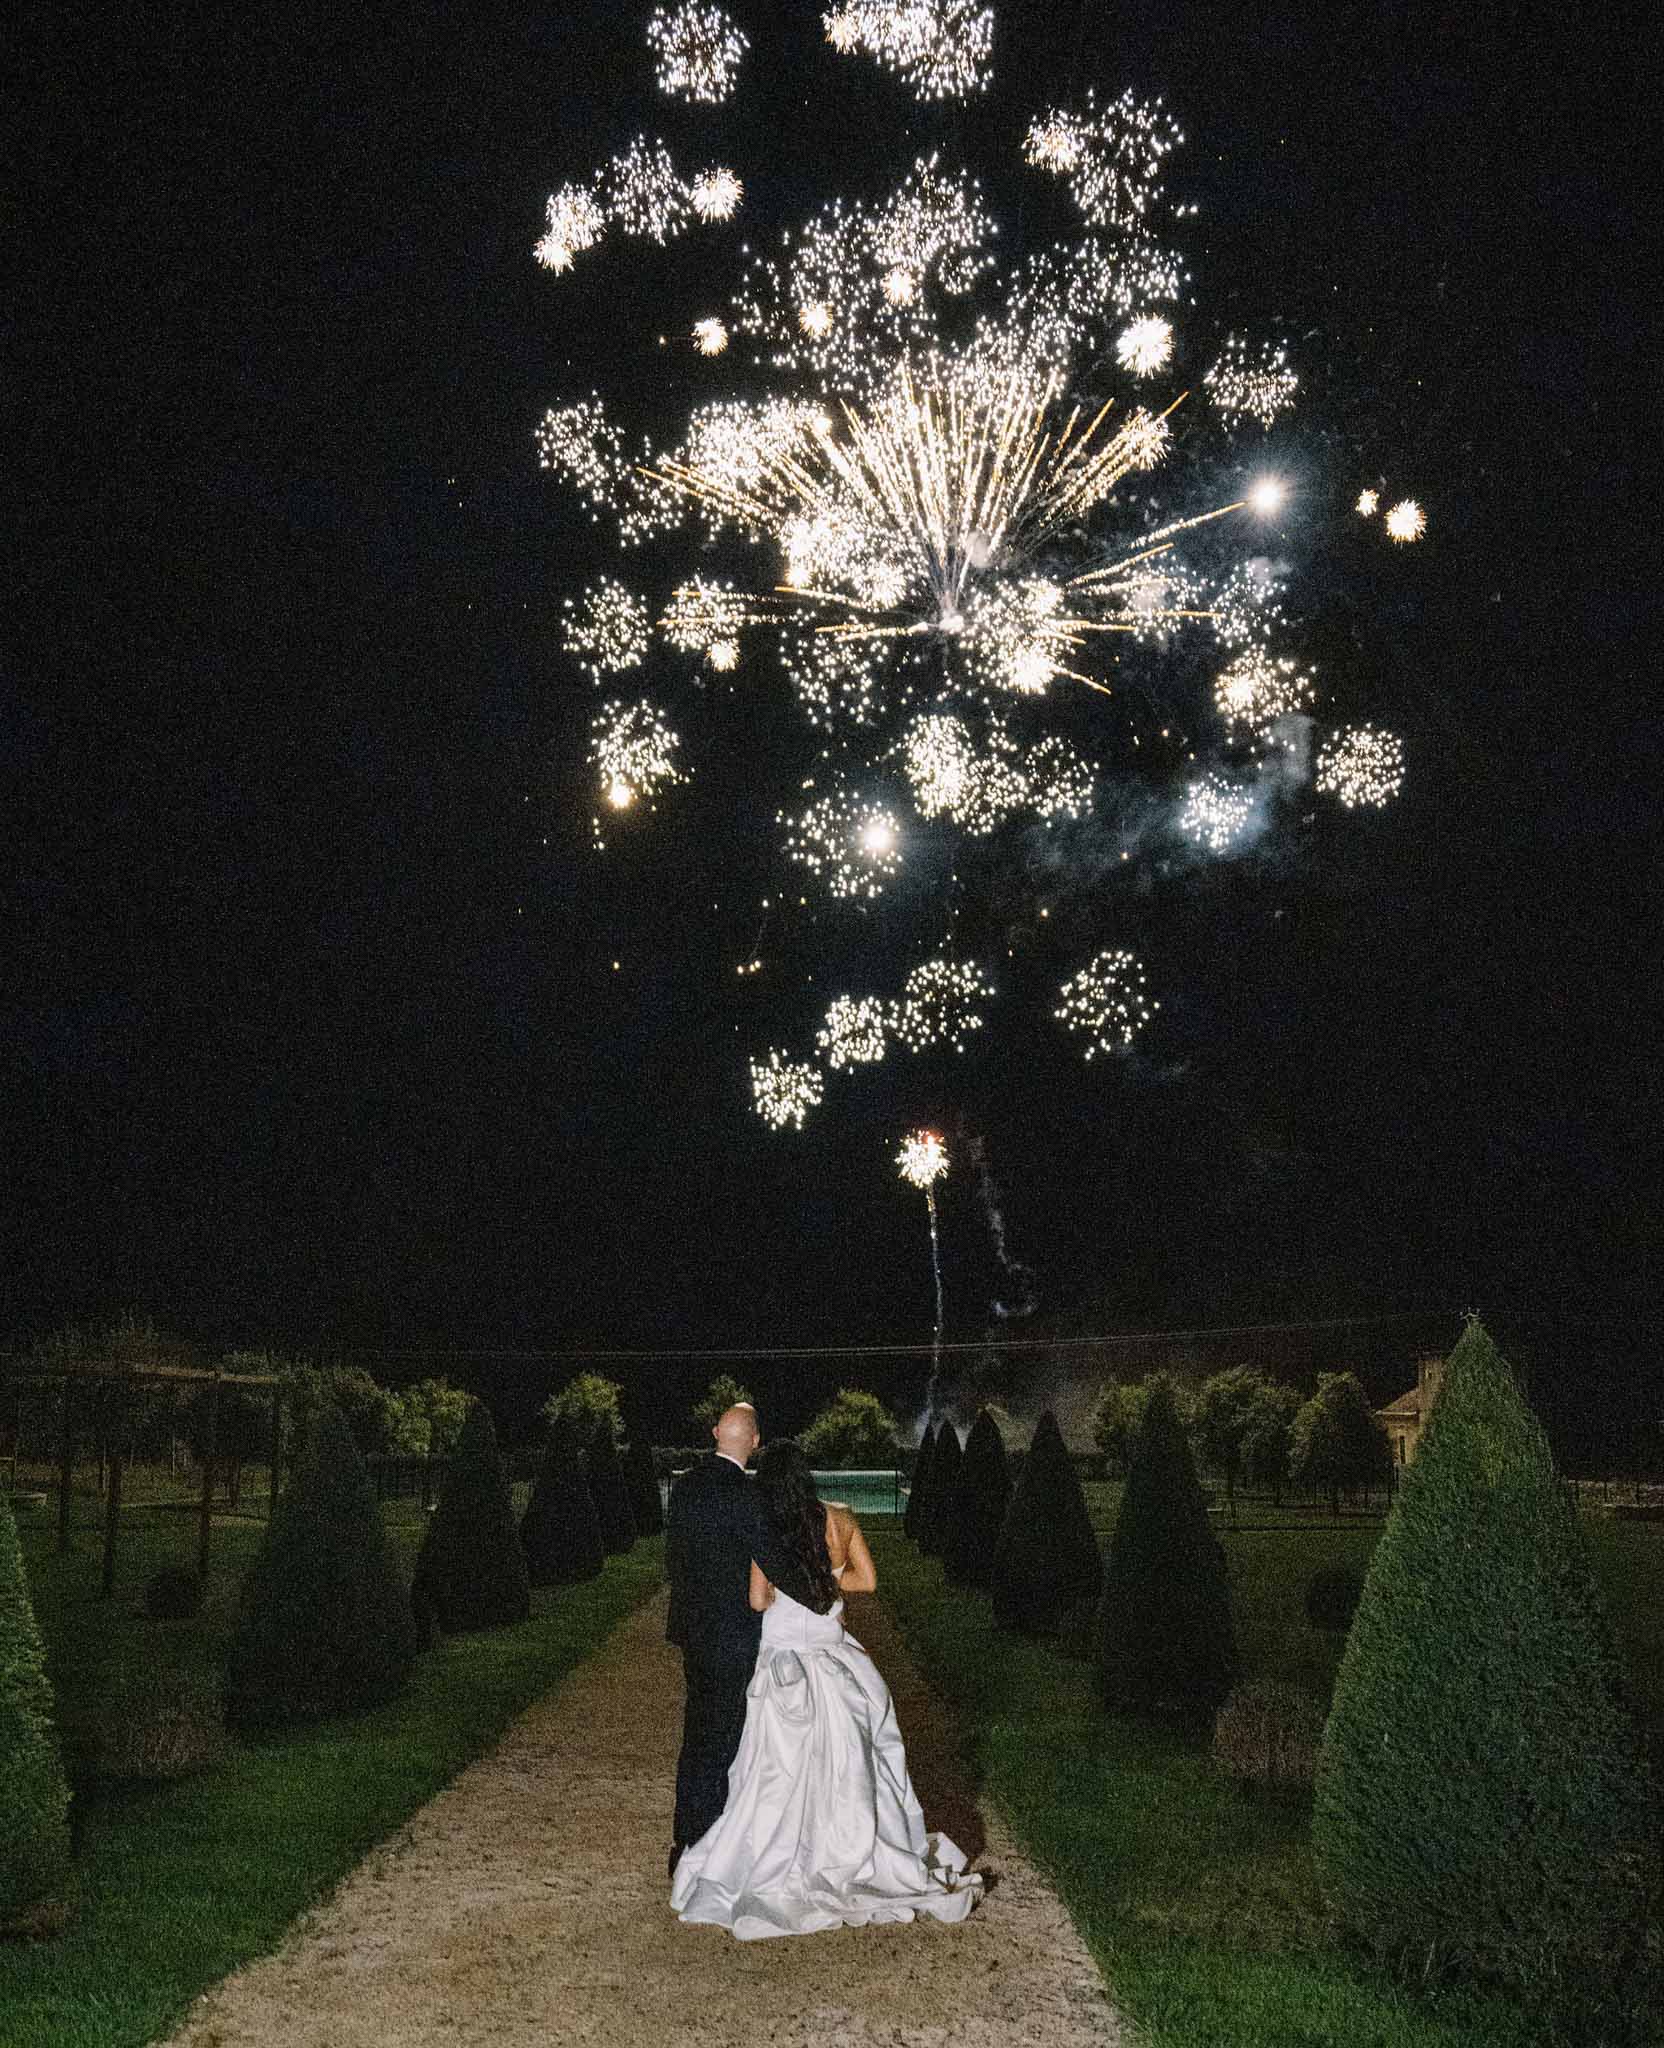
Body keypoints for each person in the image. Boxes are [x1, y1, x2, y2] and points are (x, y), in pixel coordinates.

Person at [671, 1438, 981, 1939]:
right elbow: (869, 1581)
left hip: (784, 1659)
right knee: (852, 1758)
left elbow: (756, 1600)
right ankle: (850, 1851)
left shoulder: (768, 1528)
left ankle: (777, 1856)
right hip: (833, 1657)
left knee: (775, 1767)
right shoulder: (842, 1518)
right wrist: (827, 1582)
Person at [664, 1403, 809, 1878]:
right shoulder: (745, 1495)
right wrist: (817, 1594)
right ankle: (707, 1843)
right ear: (754, 1442)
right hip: (731, 1633)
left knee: (698, 1729)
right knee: (726, 1735)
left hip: (692, 1628)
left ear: (714, 1433)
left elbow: (675, 1559)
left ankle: (684, 1835)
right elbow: (772, 1558)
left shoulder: (683, 1487)